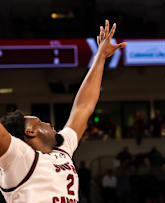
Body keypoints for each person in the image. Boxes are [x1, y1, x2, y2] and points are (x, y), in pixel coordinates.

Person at [0, 20, 126, 202]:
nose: (49, 123)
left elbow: (83, 107)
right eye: (39, 122)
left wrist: (100, 56)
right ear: (30, 132)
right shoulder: (19, 159)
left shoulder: (62, 149)